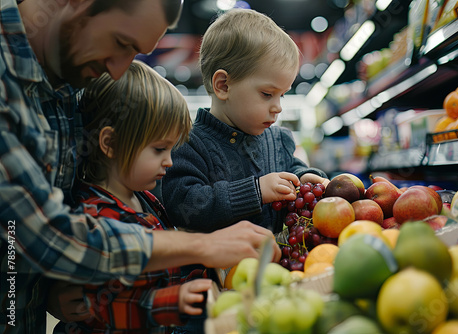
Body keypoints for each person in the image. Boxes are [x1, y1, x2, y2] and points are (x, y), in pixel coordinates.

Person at [0, 0, 280, 332]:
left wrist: (50, 288)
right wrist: (203, 246)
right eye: (121, 43)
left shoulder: (68, 78)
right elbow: (44, 232)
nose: (117, 69)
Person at [52, 60, 211, 334]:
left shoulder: (145, 198)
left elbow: (160, 274)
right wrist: (175, 301)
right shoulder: (94, 216)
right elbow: (101, 307)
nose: (170, 162)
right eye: (159, 149)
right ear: (110, 143)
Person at [161, 9, 329, 234]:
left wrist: (304, 177)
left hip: (277, 263)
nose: (278, 107)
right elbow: (183, 208)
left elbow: (290, 168)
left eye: (283, 94)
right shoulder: (189, 145)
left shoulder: (277, 139)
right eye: (267, 94)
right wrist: (256, 191)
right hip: (217, 267)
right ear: (223, 86)